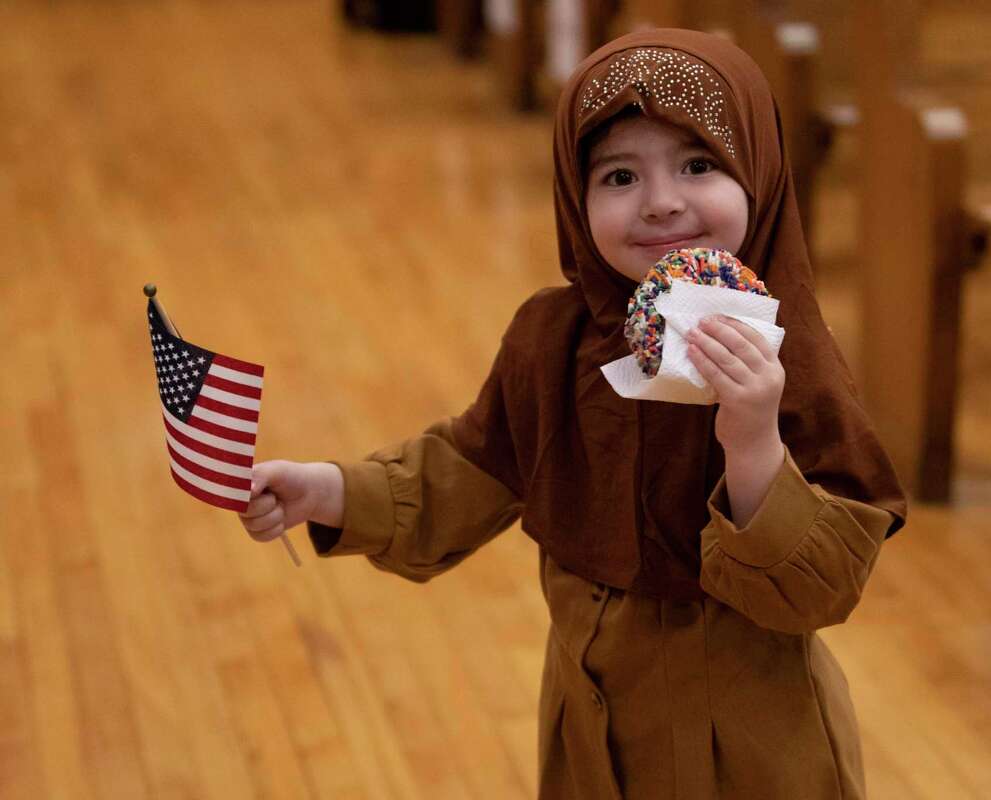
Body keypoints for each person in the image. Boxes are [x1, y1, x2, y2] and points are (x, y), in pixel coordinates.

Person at [239, 28, 907, 800]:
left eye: (699, 165)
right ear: (573, 197)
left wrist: (753, 440)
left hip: (747, 758)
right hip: (590, 741)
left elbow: (821, 588)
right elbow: (472, 466)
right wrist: (328, 491)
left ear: (758, 174)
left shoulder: (792, 356)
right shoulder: (552, 341)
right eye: (620, 176)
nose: (662, 202)